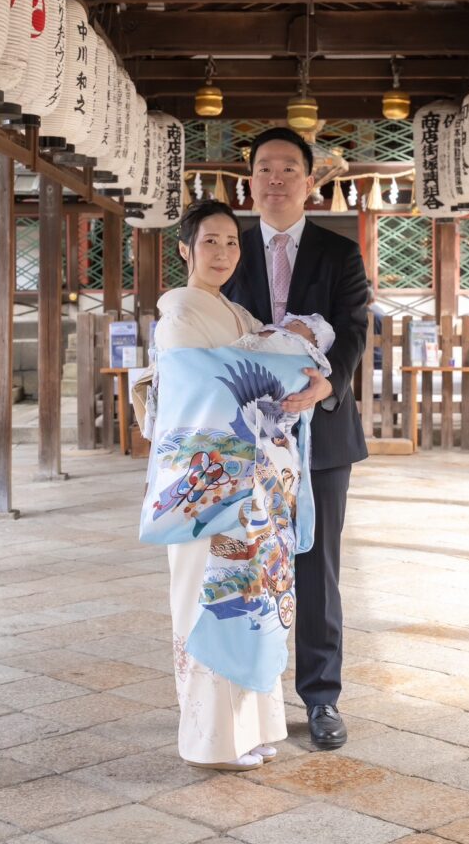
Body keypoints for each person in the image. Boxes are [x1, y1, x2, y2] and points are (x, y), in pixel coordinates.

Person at [138, 199, 310, 773]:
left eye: (232, 243)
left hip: (250, 485)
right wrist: (290, 372)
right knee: (211, 599)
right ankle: (212, 739)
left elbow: (261, 370)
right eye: (210, 241)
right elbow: (210, 388)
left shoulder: (232, 313)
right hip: (208, 485)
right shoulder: (182, 313)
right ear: (185, 249)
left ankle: (253, 729)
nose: (222, 253)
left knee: (252, 599)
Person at [224, 126, 368, 751]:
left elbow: (357, 330)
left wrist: (324, 387)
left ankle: (321, 698)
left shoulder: (340, 254)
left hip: (322, 438)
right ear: (248, 182)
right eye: (264, 168)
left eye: (289, 168)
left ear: (312, 182)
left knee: (317, 567)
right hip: (244, 439)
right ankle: (245, 697)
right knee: (243, 562)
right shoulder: (227, 250)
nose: (275, 178)